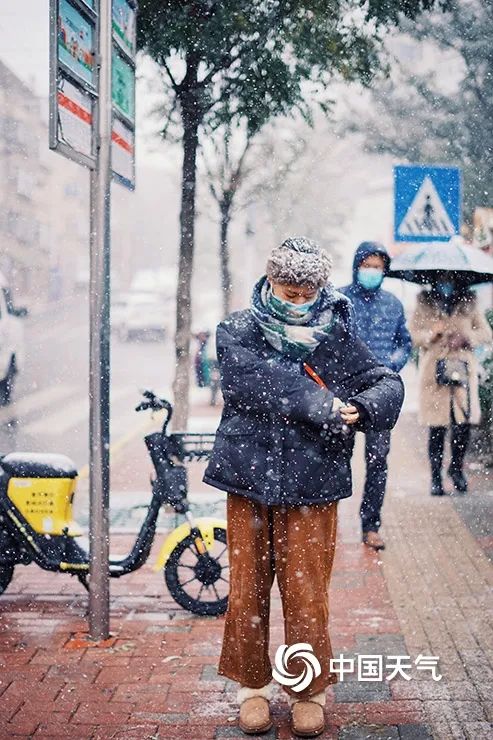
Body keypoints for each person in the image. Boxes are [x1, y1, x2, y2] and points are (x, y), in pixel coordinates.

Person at [203, 237, 404, 737]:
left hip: (314, 480)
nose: (295, 301)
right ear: (270, 281)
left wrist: (367, 407)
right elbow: (251, 381)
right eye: (286, 291)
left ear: (319, 289)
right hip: (247, 476)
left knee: (306, 590)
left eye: (303, 293)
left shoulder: (333, 334)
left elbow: (385, 380)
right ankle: (251, 687)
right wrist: (320, 404)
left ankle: (307, 690)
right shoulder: (238, 328)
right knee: (247, 588)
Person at [339, 241, 412, 551]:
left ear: (385, 270)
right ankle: (330, 520)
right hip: (344, 390)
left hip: (379, 393)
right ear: (356, 266)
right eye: (366, 265)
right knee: (336, 458)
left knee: (378, 460)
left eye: (377, 266)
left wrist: (391, 365)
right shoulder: (339, 300)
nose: (372, 271)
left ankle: (371, 525)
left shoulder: (393, 304)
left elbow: (404, 342)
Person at [409, 275, 492, 496]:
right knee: (436, 427)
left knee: (462, 425)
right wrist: (432, 334)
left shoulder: (469, 302)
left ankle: (456, 470)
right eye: (441, 275)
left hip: (462, 370)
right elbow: (412, 335)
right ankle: (435, 476)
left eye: (449, 276)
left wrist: (466, 338)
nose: (446, 280)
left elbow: (486, 333)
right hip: (433, 373)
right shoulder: (424, 303)